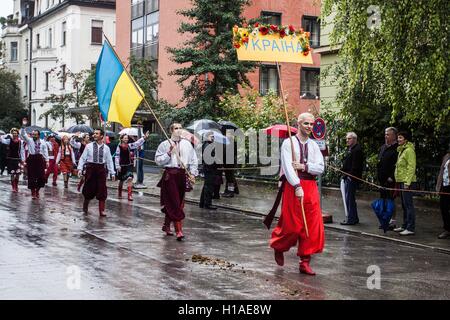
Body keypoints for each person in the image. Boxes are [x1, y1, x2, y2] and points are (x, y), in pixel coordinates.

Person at [269, 113, 325, 275]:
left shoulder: (314, 146)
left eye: (312, 124)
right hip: (293, 186)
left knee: (312, 225)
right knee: (292, 225)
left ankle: (305, 261)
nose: (310, 126)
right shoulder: (289, 143)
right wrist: (296, 185)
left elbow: (320, 168)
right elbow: (287, 166)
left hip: (311, 187)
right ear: (298, 124)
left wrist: (304, 166)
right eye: (306, 123)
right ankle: (278, 246)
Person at [155, 123, 198, 240]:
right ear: (171, 131)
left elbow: (193, 160)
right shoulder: (164, 144)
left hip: (182, 175)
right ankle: (179, 231)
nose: (178, 130)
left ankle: (166, 225)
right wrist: (168, 153)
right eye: (176, 128)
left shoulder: (187, 144)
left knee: (179, 202)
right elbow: (158, 161)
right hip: (170, 175)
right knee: (173, 201)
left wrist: (193, 173)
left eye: (180, 128)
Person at [77, 129, 115, 217]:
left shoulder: (106, 148)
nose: (94, 135)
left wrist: (112, 172)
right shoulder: (88, 146)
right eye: (94, 133)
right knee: (88, 190)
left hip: (101, 170)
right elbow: (83, 158)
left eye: (96, 133)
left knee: (102, 190)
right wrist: (80, 169)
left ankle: (101, 211)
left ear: (102, 136)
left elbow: (109, 161)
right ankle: (85, 206)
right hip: (90, 169)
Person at [393, 131, 417, 236]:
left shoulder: (409, 151)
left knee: (408, 205)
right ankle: (405, 225)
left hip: (407, 182)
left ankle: (410, 227)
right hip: (401, 180)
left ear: (406, 139)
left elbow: (411, 167)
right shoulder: (401, 150)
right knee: (404, 205)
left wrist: (407, 182)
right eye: (398, 138)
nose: (398, 139)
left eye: (400, 138)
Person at [115, 131, 149, 201]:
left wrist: (144, 138)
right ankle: (119, 192)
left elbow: (137, 144)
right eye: (125, 138)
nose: (126, 139)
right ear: (121, 139)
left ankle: (129, 195)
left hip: (129, 165)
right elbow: (117, 157)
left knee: (130, 178)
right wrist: (118, 166)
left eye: (127, 138)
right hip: (122, 166)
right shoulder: (119, 147)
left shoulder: (129, 146)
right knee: (121, 181)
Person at [340, 132, 364, 225]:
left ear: (354, 139)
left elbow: (356, 165)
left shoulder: (357, 150)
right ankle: (354, 217)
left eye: (349, 138)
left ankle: (352, 219)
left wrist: (350, 176)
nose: (347, 140)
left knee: (349, 198)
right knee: (349, 198)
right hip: (348, 176)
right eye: (346, 139)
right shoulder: (351, 149)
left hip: (352, 178)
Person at [376, 127, 398, 229]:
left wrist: (392, 177)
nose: (386, 136)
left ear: (394, 136)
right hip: (382, 179)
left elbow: (397, 165)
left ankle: (392, 222)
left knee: (390, 200)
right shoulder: (383, 147)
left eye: (388, 134)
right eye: (385, 134)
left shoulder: (397, 148)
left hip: (390, 180)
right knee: (383, 200)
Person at [20, 128, 49, 199]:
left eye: (35, 135)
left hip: (40, 159)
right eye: (33, 134)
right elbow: (23, 134)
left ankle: (37, 191)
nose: (34, 136)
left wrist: (47, 160)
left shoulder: (43, 142)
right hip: (31, 159)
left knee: (41, 177)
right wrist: (23, 127)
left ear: (39, 135)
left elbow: (45, 151)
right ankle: (33, 192)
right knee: (31, 177)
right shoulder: (29, 140)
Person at [199, 131, 218, 210]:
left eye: (213, 136)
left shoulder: (207, 145)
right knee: (209, 187)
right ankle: (207, 204)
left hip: (208, 168)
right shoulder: (207, 145)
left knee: (206, 186)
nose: (213, 137)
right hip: (209, 169)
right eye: (211, 136)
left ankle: (202, 203)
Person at [436, 149, 450, 239]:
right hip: (445, 185)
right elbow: (442, 171)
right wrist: (438, 186)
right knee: (444, 207)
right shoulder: (447, 156)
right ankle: (447, 229)